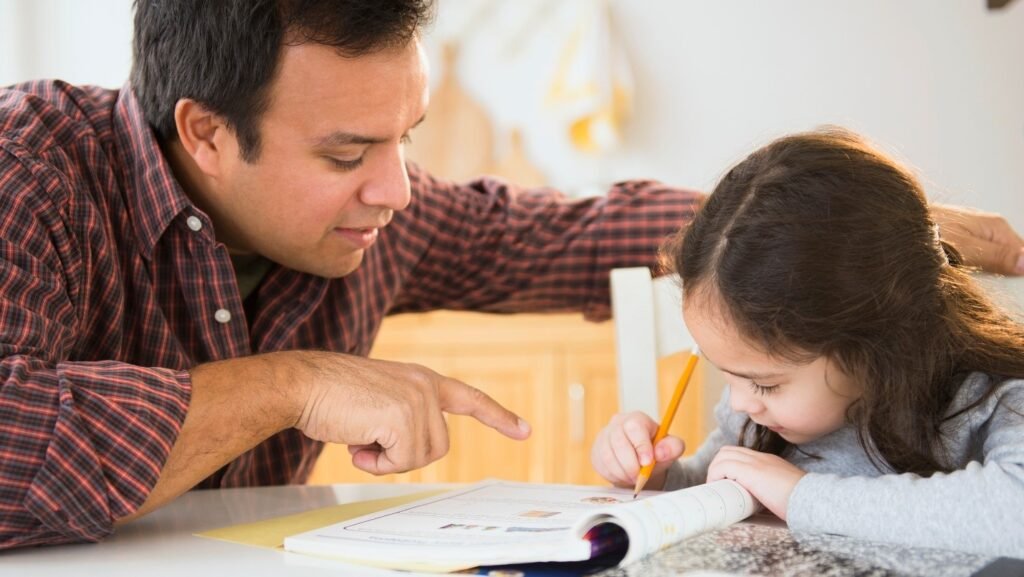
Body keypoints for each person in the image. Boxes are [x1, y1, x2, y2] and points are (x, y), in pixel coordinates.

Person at [0, 1, 1018, 551]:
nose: (396, 188)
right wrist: (291, 382)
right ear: (207, 134)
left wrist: (857, 230)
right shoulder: (27, 171)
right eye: (348, 155)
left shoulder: (375, 217)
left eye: (408, 137)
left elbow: (574, 231)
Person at [590, 127, 1024, 557]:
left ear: (878, 342)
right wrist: (660, 474)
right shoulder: (759, 416)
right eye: (726, 374)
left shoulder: (991, 399)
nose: (739, 403)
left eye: (765, 384)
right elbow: (722, 488)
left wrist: (801, 497)